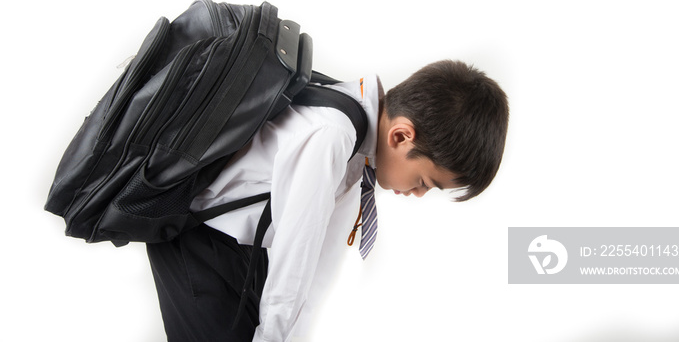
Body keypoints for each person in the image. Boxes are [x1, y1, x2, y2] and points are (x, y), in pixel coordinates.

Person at [146, 59, 509, 342]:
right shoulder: (333, 135)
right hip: (200, 241)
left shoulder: (359, 139)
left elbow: (321, 255)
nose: (416, 195)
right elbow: (296, 251)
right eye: (424, 182)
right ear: (401, 136)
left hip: (243, 251)